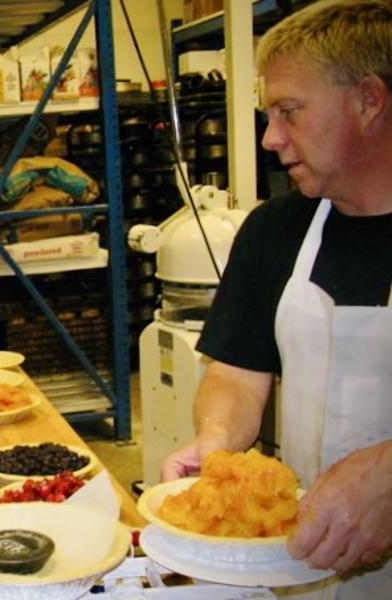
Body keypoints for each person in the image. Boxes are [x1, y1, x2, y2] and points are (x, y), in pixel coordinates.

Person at [160, 1, 391, 597]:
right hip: (304, 553)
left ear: (369, 100)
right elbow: (238, 373)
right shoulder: (274, 233)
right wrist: (216, 441)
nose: (271, 138)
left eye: (289, 111)